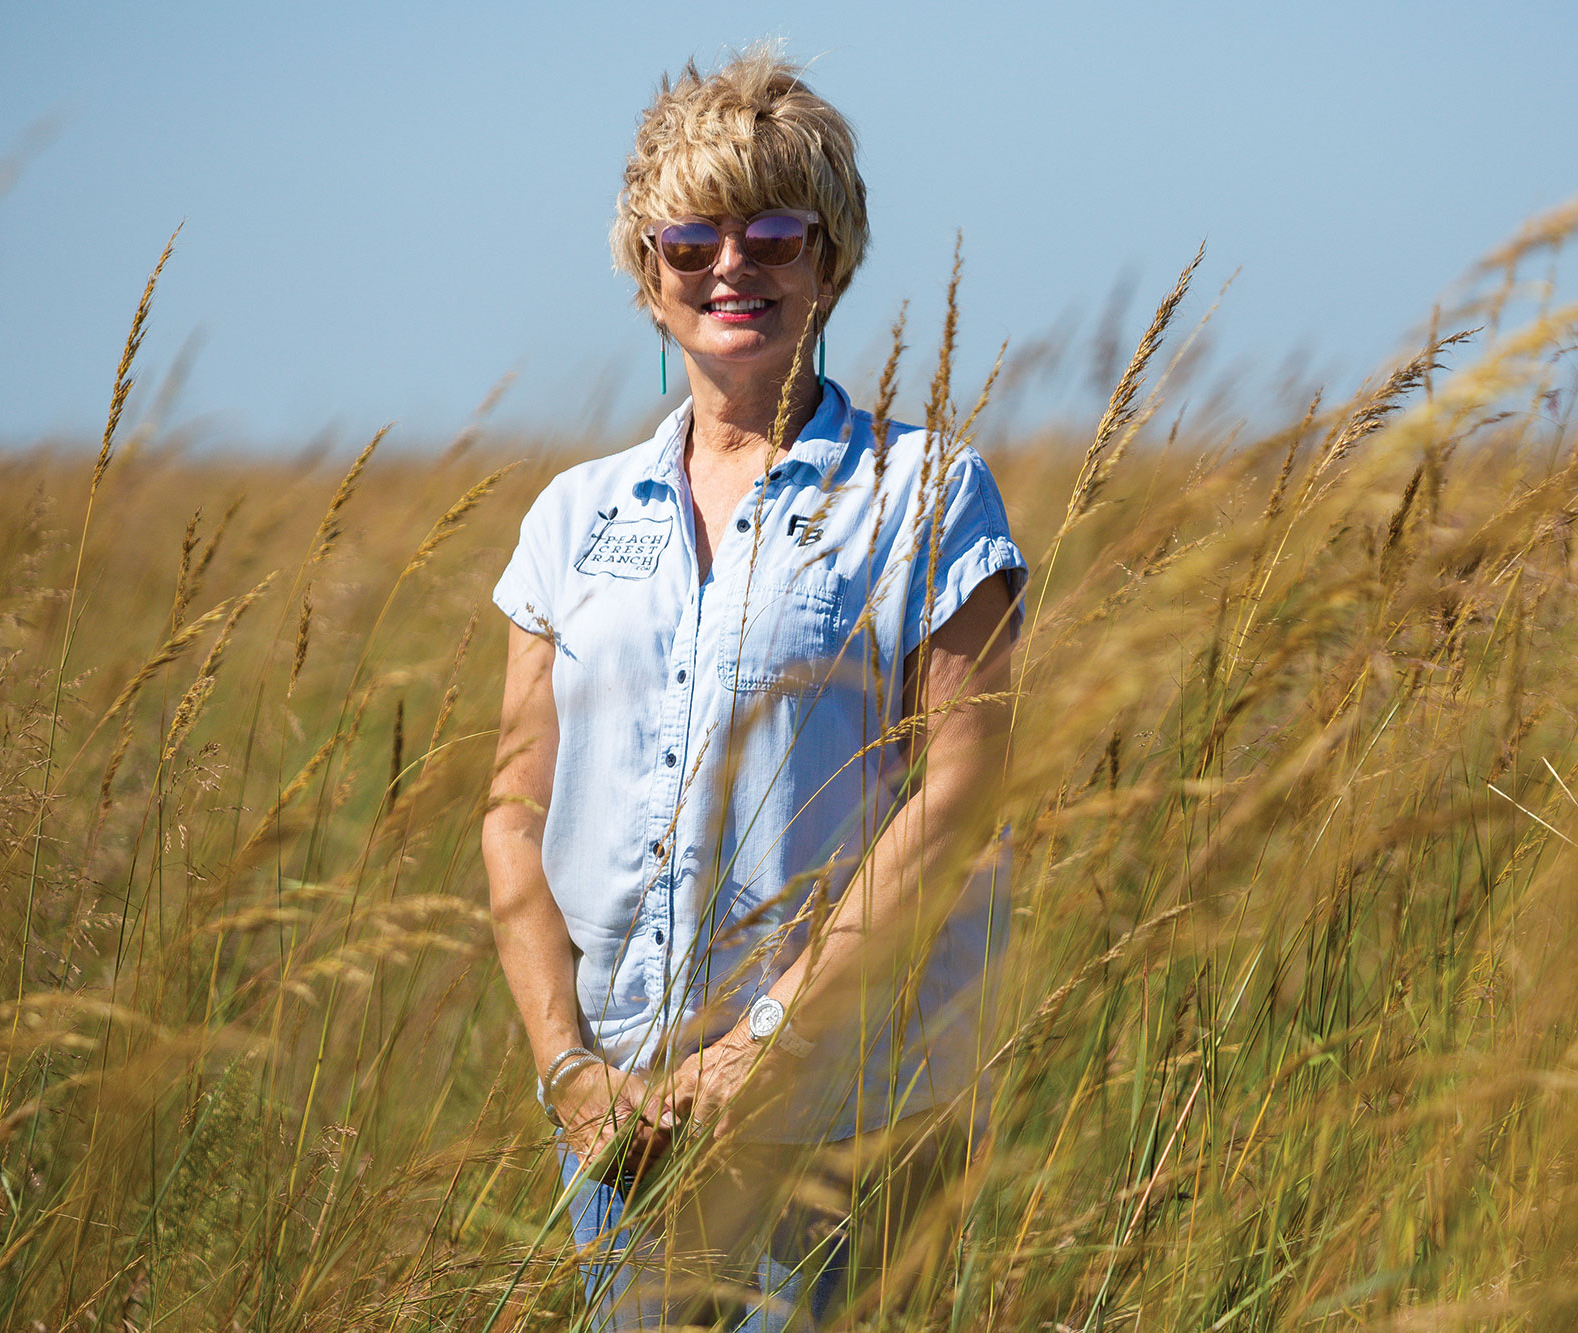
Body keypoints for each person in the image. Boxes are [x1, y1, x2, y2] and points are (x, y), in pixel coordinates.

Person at [481, 48, 1028, 1329]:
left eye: (776, 236)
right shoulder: (573, 518)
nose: (733, 267)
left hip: (854, 1118)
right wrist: (568, 1068)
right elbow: (511, 811)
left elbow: (960, 788)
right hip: (629, 1129)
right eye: (691, 240)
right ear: (645, 271)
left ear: (829, 262)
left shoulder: (925, 494)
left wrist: (764, 1045)